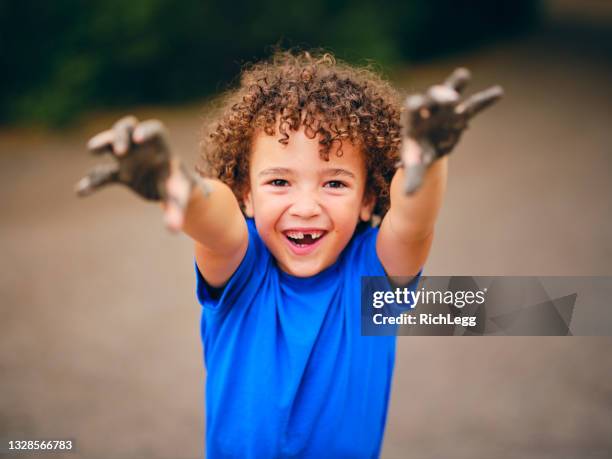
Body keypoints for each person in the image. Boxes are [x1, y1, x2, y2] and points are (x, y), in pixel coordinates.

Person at [76, 50, 501, 458]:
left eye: (334, 183)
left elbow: (413, 223)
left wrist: (429, 161)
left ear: (369, 199)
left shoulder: (374, 279)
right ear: (247, 192)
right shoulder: (242, 267)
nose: (305, 206)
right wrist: (178, 185)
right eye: (279, 182)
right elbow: (215, 215)